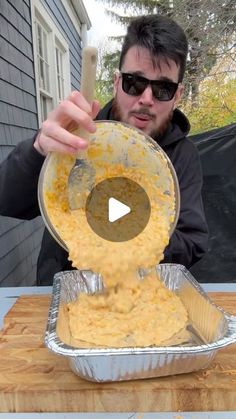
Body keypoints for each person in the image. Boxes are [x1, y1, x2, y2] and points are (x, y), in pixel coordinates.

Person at [0, 14, 208, 285]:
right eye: (135, 82)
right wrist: (38, 149)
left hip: (137, 299)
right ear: (117, 81)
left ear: (178, 96)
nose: (146, 99)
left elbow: (193, 242)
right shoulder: (77, 134)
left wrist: (130, 239)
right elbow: (7, 200)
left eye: (163, 89)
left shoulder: (183, 156)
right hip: (64, 289)